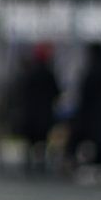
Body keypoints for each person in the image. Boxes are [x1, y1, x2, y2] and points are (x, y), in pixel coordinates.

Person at [65, 41, 101, 183]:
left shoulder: (93, 72)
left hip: (92, 116)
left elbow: (85, 94)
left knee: (79, 140)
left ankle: (78, 165)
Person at [17, 42, 60, 174]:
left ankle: (29, 164)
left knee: (30, 142)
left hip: (30, 115)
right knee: (43, 141)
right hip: (44, 115)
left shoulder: (29, 74)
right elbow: (56, 92)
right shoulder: (49, 74)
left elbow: (22, 93)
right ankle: (41, 164)